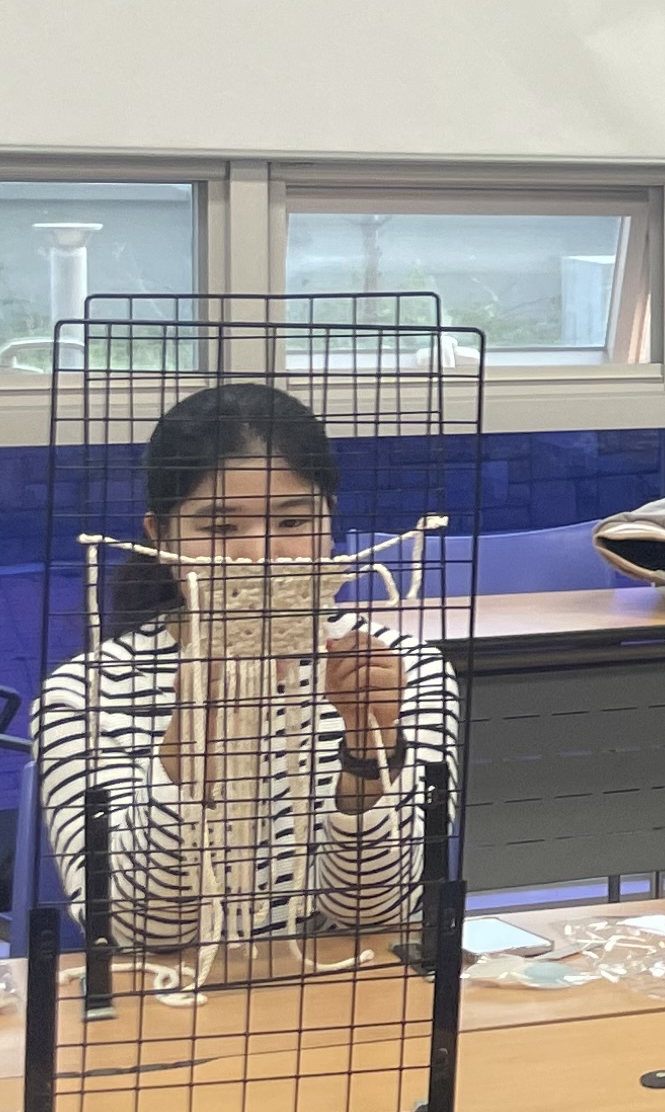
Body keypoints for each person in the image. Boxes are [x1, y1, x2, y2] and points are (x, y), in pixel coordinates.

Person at [30, 382, 460, 960]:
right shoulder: (85, 696)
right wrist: (189, 739)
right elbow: (137, 933)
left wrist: (369, 745)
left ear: (330, 523)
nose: (260, 554)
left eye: (293, 522)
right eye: (220, 528)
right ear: (160, 537)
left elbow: (382, 912)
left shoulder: (402, 672)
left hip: (347, 982)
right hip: (173, 993)